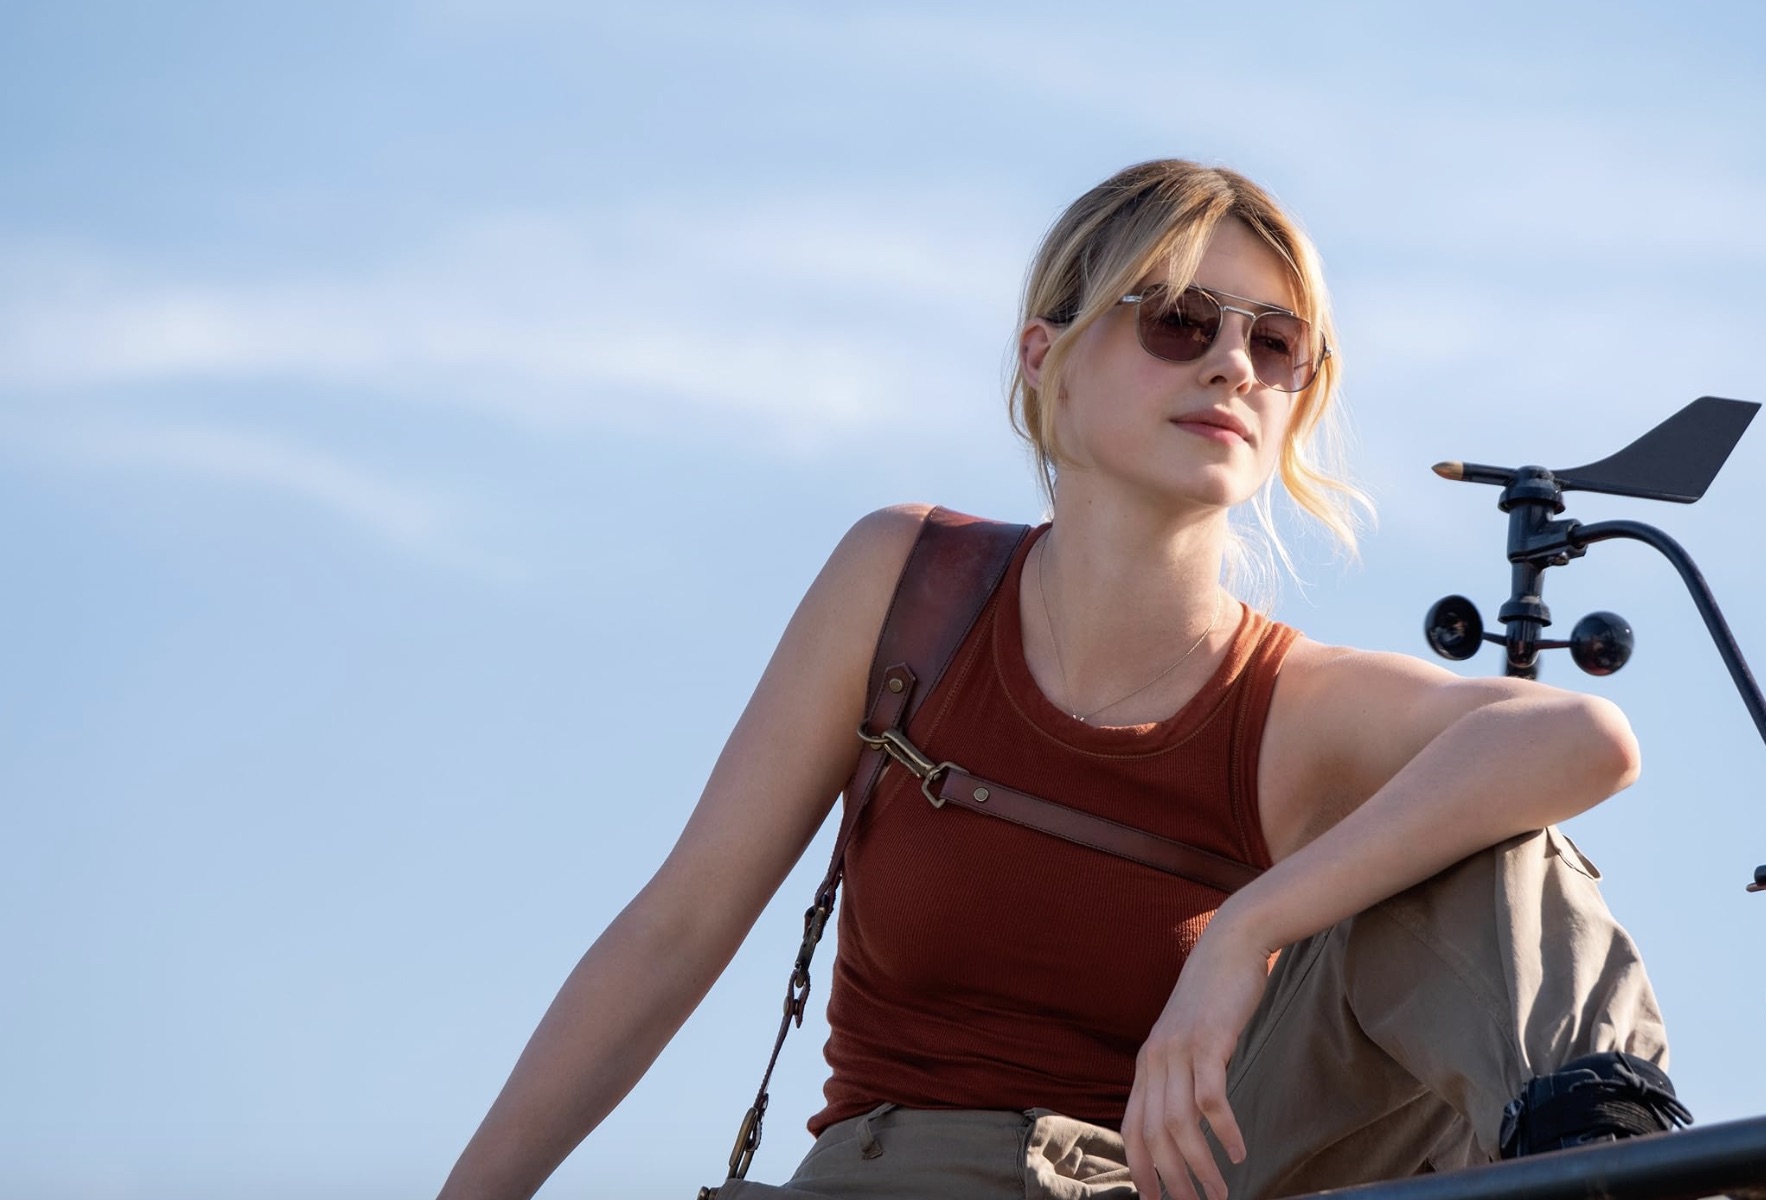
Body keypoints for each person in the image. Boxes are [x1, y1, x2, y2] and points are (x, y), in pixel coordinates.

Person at [435, 160, 1684, 1200]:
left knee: (1480, 834)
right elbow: (675, 929)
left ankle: (1607, 1165)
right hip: (907, 1172)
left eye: (1275, 341)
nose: (1231, 367)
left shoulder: (1289, 705)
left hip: (1179, 1181)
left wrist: (1250, 929)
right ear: (1049, 357)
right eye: (1178, 321)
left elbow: (1581, 737)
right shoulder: (907, 587)